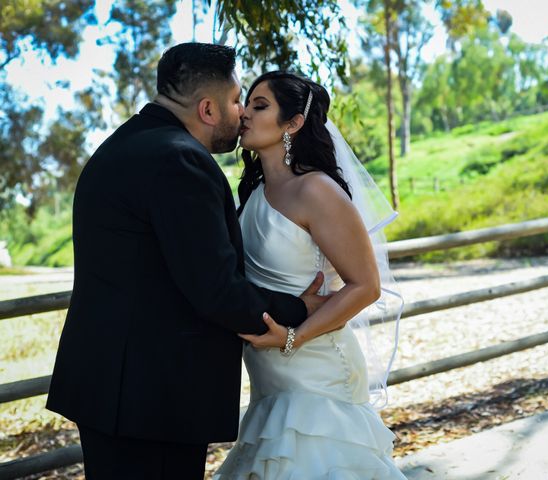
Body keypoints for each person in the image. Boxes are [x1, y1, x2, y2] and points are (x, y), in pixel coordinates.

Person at [46, 44, 328, 480]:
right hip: (152, 398)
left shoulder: (122, 145)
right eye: (237, 101)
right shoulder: (180, 160)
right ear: (209, 109)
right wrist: (300, 309)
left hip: (111, 387)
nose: (242, 114)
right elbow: (215, 290)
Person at [213, 71, 406, 479]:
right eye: (246, 103)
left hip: (315, 368)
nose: (245, 113)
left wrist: (291, 337)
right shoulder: (253, 192)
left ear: (294, 123)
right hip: (269, 376)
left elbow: (366, 285)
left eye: (260, 105)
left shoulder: (315, 190)